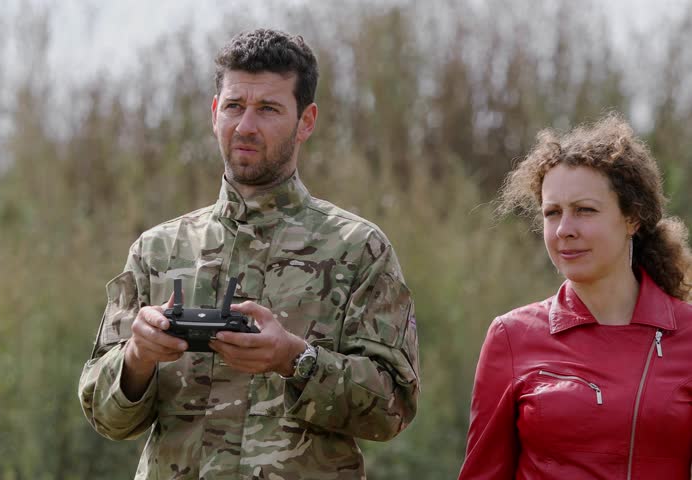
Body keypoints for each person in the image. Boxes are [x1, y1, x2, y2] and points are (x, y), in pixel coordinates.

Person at [78, 28, 420, 479]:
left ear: (306, 121)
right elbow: (106, 418)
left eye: (269, 109)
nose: (246, 126)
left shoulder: (358, 249)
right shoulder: (156, 250)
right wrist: (138, 356)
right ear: (214, 112)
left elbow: (392, 409)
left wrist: (295, 359)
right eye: (235, 106)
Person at [459, 113, 692, 479]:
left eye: (585, 210)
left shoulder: (689, 336)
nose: (565, 230)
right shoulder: (511, 337)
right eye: (553, 213)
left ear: (632, 218)